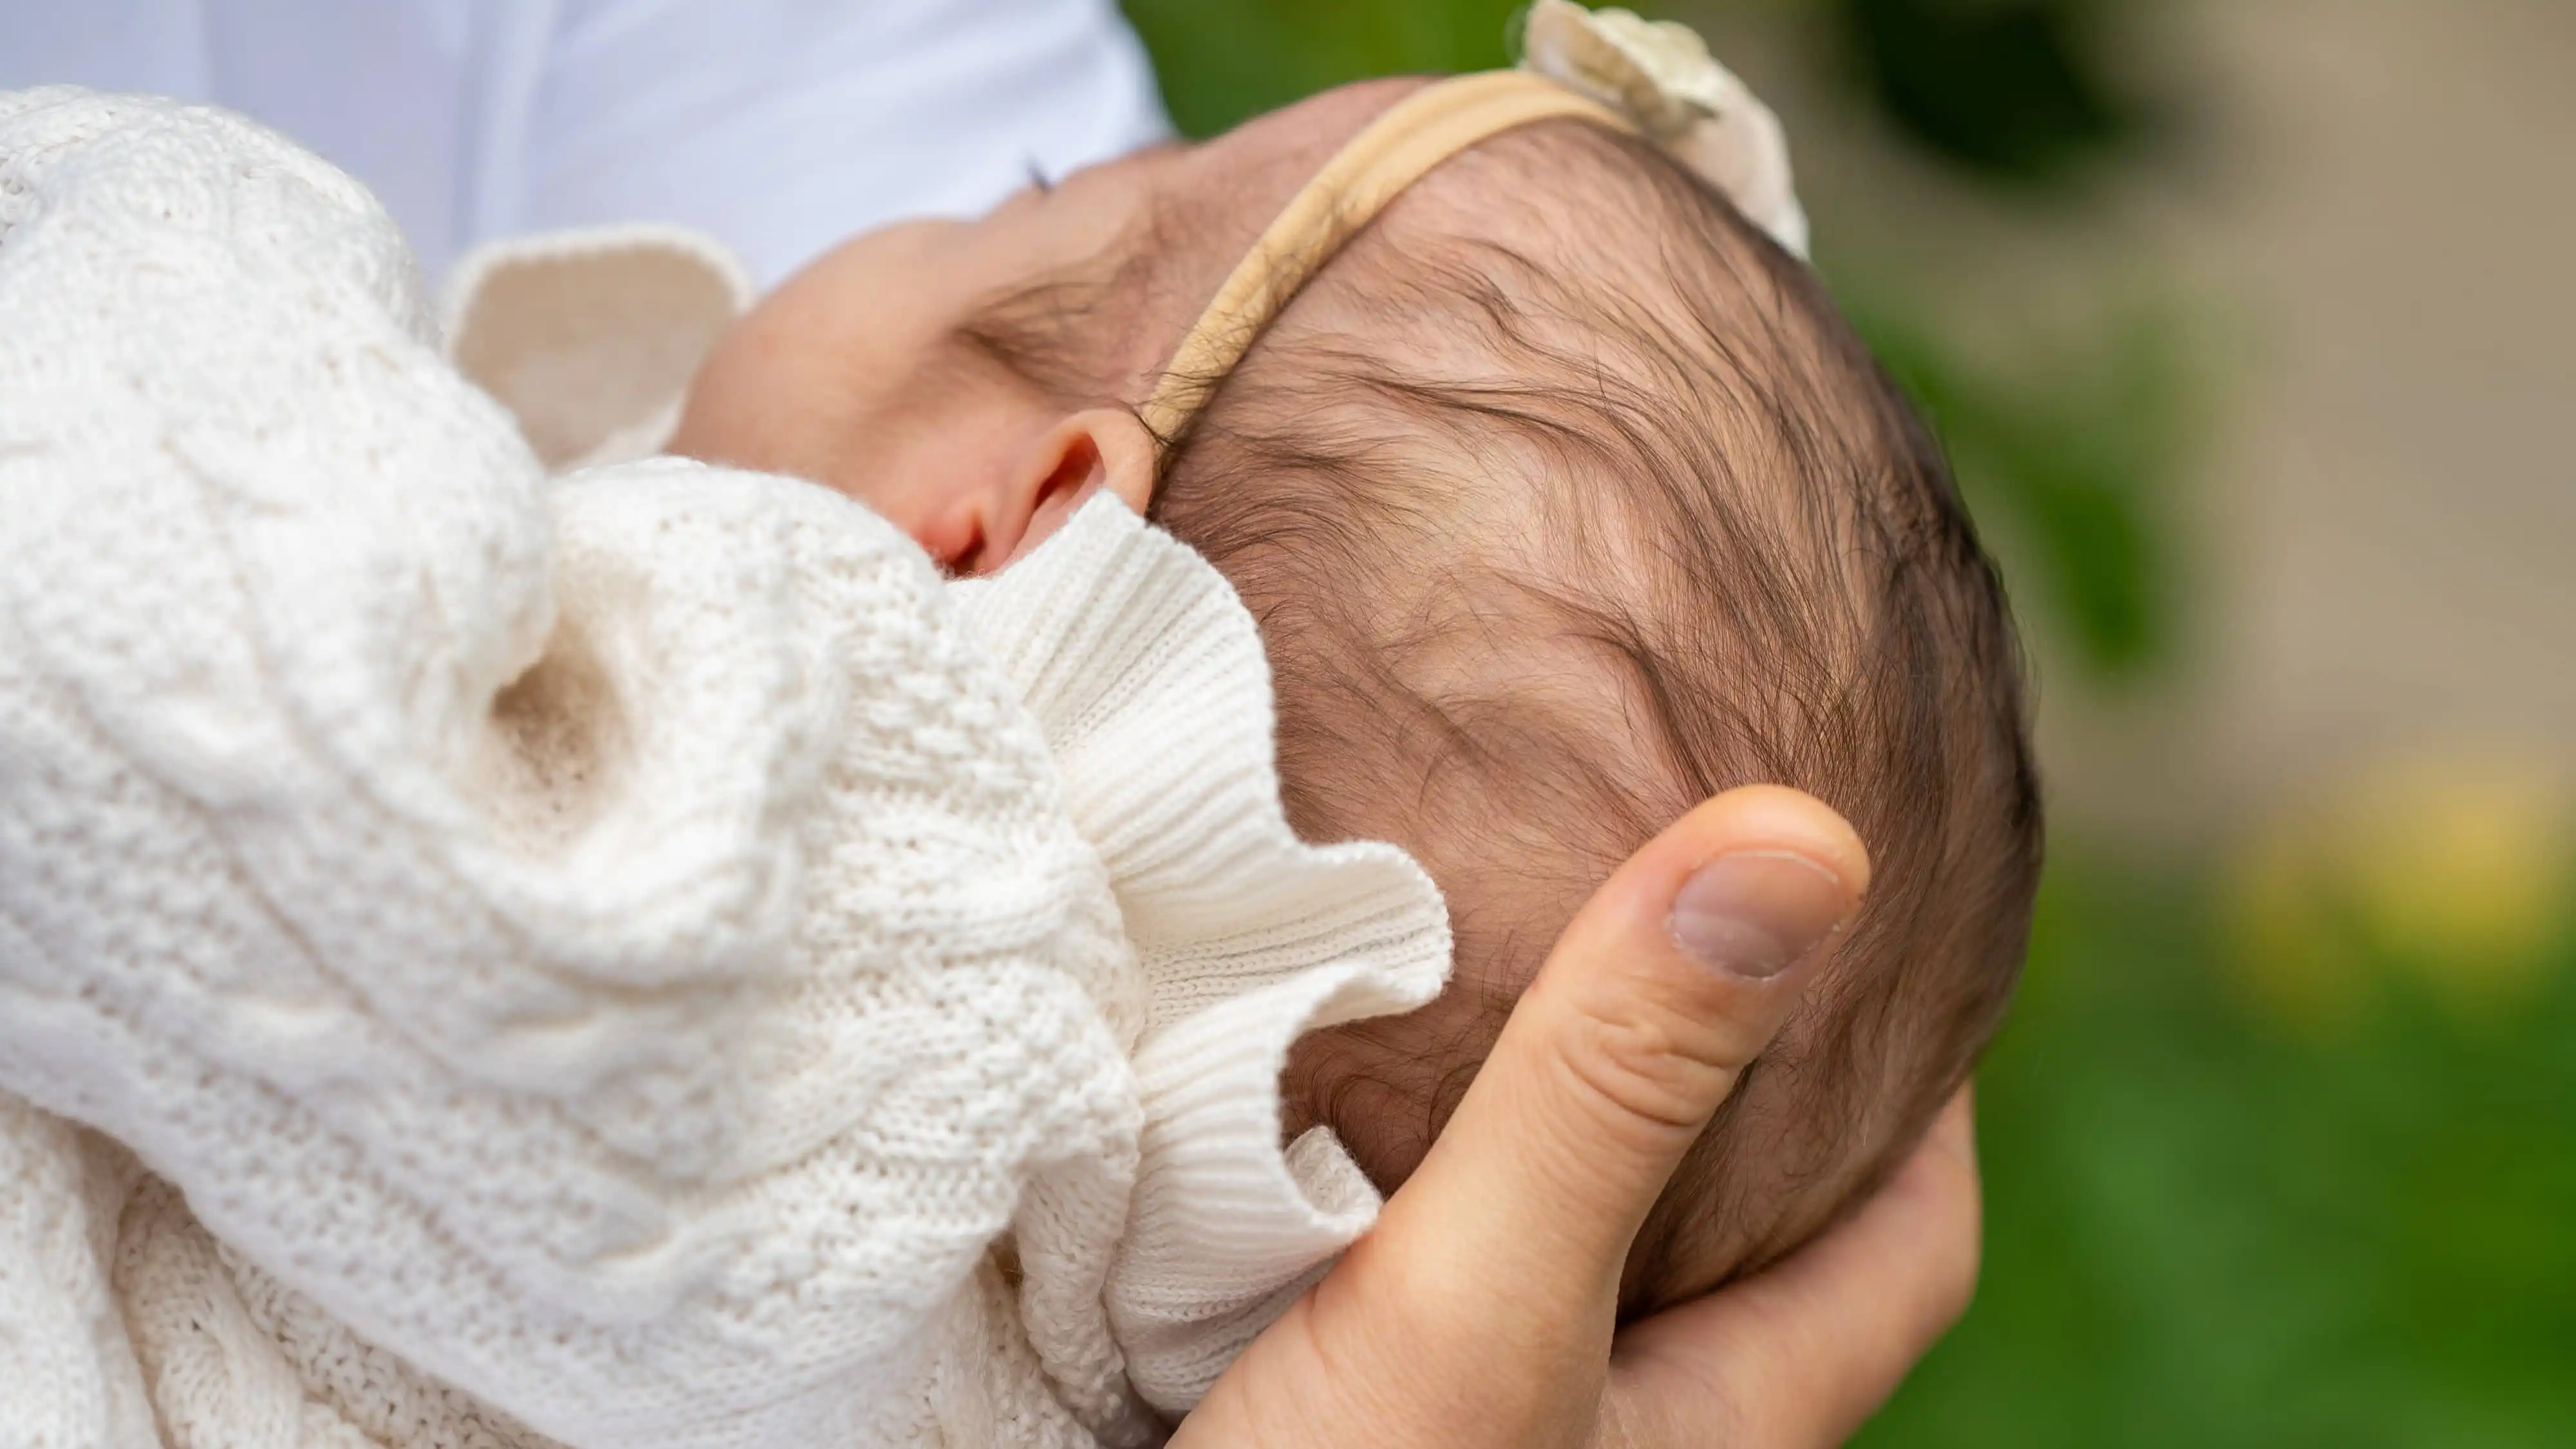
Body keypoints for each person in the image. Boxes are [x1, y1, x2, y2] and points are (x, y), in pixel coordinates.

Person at [0, 3, 1991, 1442]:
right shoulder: (1066, 1381)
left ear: (1002, 524)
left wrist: (156, 210)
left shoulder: (762, 918)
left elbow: (111, 586)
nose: (962, 194)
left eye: (1040, 203)